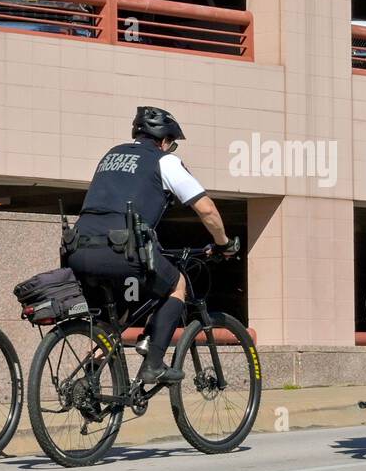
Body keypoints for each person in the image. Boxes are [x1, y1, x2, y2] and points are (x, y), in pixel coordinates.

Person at [66, 106, 238, 385]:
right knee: (176, 284)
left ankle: (86, 383)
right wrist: (223, 243)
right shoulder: (164, 161)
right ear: (164, 140)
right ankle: (153, 364)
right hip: (120, 251)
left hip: (78, 249)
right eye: (171, 142)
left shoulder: (110, 156)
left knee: (113, 323)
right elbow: (207, 210)